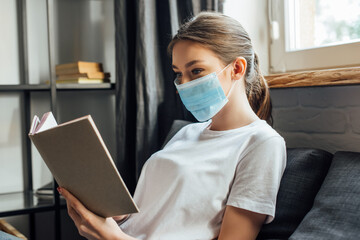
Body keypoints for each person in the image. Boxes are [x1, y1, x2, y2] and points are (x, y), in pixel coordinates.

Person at [58, 12, 286, 240]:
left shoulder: (263, 144)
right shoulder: (187, 132)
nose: (183, 85)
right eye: (178, 74)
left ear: (237, 68)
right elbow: (158, 218)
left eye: (196, 71)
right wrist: (114, 216)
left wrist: (112, 237)